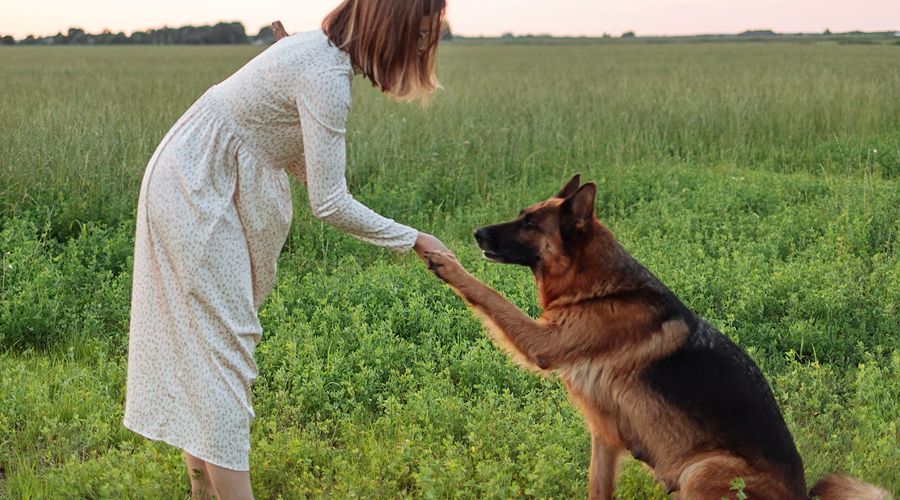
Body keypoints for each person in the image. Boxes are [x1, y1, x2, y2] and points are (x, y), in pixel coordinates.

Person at [123, 1, 448, 498]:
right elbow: (330, 202)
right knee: (224, 353)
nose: (423, 49)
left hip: (200, 176)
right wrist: (414, 238)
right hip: (195, 186)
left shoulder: (320, 57)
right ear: (392, 27)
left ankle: (202, 493)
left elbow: (286, 151)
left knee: (211, 351)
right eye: (420, 37)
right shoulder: (324, 73)